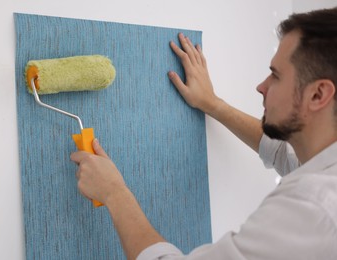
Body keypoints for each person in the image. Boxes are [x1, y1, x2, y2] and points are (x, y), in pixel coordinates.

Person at [70, 7, 337, 259]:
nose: (261, 86)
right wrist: (212, 103)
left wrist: (114, 192)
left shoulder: (314, 207)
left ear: (318, 94)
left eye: (276, 75)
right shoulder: (324, 164)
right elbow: (285, 153)